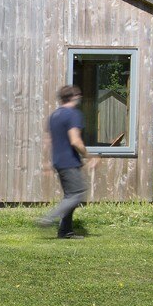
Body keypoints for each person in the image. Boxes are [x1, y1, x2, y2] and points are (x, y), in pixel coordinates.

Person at [37, 84, 93, 238]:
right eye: (79, 95)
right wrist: (88, 155)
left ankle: (65, 231)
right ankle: (49, 217)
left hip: (58, 161)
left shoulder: (54, 116)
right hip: (69, 161)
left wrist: (47, 163)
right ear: (74, 96)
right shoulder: (73, 114)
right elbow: (75, 141)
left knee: (70, 196)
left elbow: (48, 141)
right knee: (78, 194)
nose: (80, 98)